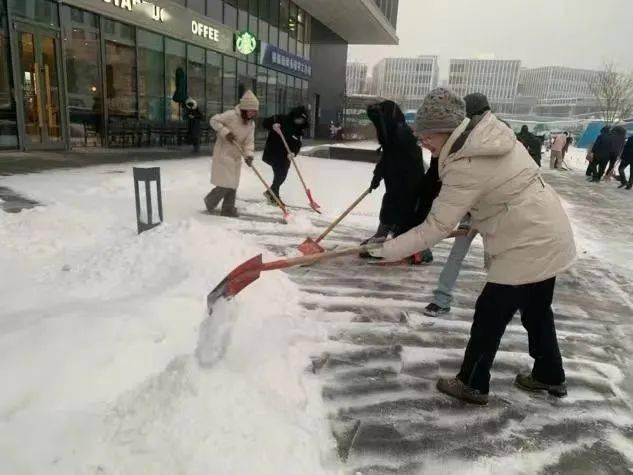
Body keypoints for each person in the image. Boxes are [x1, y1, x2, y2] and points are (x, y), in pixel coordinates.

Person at [370, 88, 576, 405]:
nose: (422, 141)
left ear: (445, 130)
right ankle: (550, 375)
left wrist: (386, 249)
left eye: (426, 135)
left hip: (527, 242)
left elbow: (435, 227)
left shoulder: (466, 162)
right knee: (536, 309)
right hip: (548, 229)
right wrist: (477, 216)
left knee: (490, 313)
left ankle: (472, 382)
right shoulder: (490, 136)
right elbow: (503, 189)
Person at [424, 92, 491, 318]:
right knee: (457, 254)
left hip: (494, 213)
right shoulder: (462, 138)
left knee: (498, 259)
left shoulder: (498, 133)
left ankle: (504, 302)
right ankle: (441, 299)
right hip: (470, 211)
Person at [362, 100, 431, 264]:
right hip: (395, 183)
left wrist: (402, 185)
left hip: (409, 184)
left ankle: (420, 249)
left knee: (406, 215)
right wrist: (377, 177)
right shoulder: (392, 134)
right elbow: (386, 158)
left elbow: (406, 163)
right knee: (389, 206)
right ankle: (381, 236)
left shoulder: (402, 135)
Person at [203, 90, 259, 217]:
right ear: (244, 109)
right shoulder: (231, 115)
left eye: (254, 111)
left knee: (233, 183)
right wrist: (225, 132)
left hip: (236, 156)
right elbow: (214, 121)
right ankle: (210, 200)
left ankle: (228, 209)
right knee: (225, 183)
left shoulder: (251, 124)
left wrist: (249, 155)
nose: (252, 113)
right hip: (223, 153)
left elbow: (249, 142)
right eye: (250, 110)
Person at [261, 106, 310, 205]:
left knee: (282, 175)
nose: (300, 121)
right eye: (299, 119)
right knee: (280, 174)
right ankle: (273, 195)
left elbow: (298, 144)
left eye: (302, 120)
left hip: (286, 155)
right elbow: (264, 123)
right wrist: (273, 125)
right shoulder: (280, 119)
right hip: (273, 151)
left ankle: (272, 193)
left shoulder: (300, 130)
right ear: (294, 116)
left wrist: (293, 153)